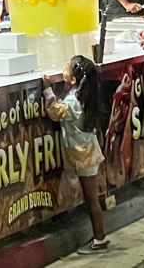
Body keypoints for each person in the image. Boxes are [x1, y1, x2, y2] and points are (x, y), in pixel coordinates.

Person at [47, 54, 111, 253]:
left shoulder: (74, 102)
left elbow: (55, 112)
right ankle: (98, 236)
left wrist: (47, 90)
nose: (64, 67)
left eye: (67, 66)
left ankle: (99, 238)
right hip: (89, 153)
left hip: (85, 157)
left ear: (73, 79)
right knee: (90, 197)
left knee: (91, 199)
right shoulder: (85, 96)